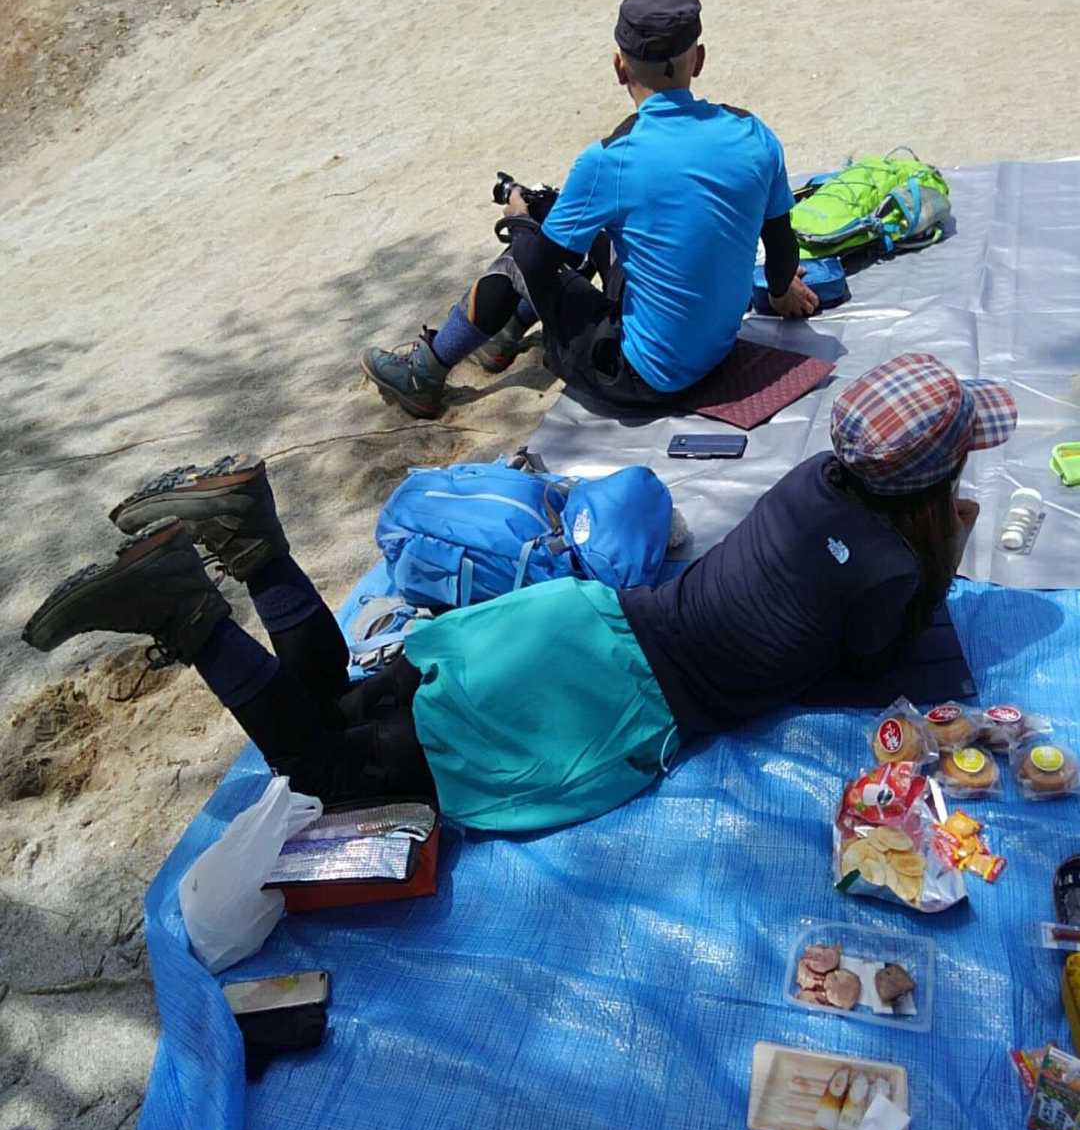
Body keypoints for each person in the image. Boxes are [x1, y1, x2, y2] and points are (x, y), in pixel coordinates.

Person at [23, 354, 1015, 834]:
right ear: (936, 485)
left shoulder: (811, 479)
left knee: (348, 704)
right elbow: (880, 664)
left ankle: (255, 540)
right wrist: (945, 552)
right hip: (611, 700)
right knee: (324, 774)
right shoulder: (893, 569)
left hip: (583, 619)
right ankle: (188, 613)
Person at [360, 0, 819, 421]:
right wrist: (782, 292)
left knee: (523, 254)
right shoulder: (753, 134)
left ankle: (426, 370)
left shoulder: (610, 160)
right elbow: (780, 242)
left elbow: (539, 264)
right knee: (582, 226)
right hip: (715, 349)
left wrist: (519, 219)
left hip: (642, 375)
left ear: (619, 68)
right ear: (698, 60)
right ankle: (502, 334)